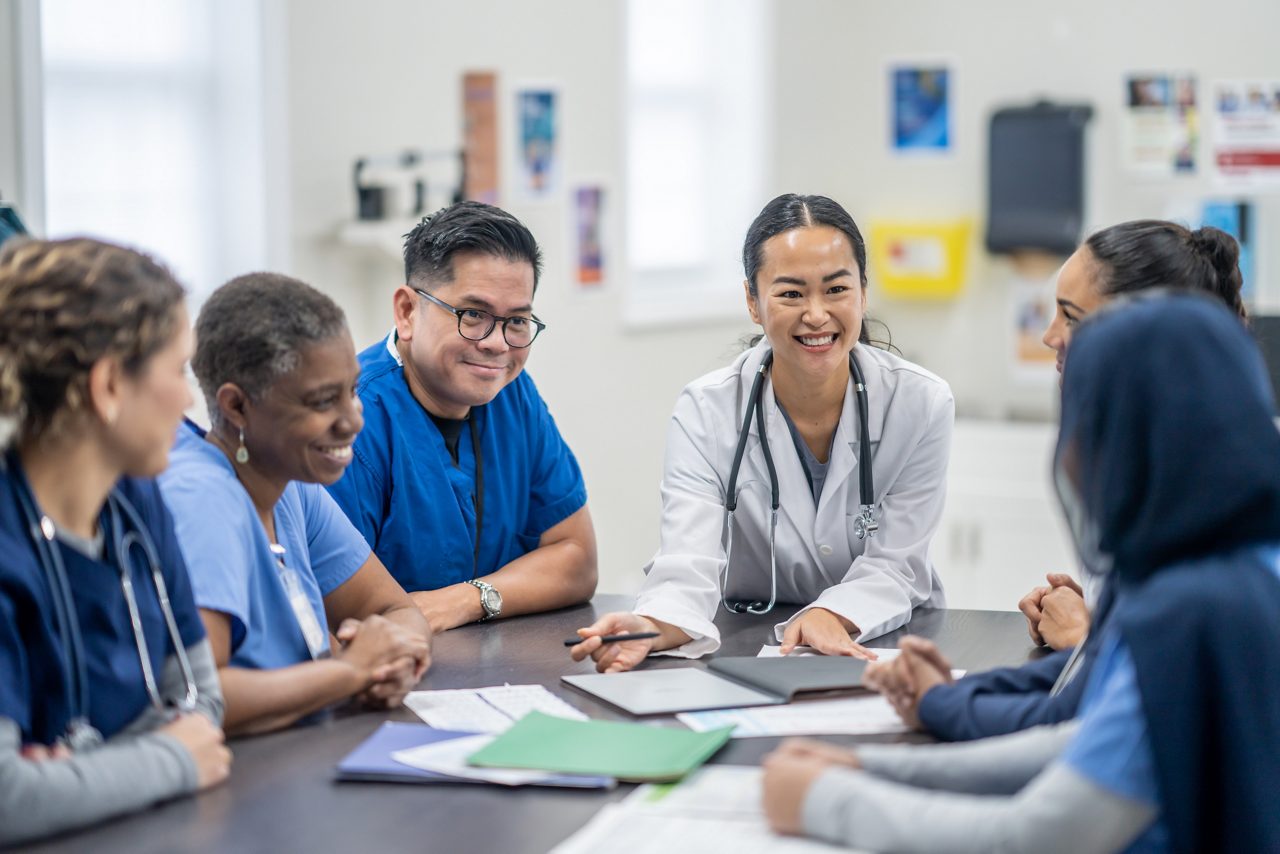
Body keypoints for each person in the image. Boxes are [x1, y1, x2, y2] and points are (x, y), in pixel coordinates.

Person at [762, 292, 1280, 853]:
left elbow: (1040, 836)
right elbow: (1085, 745)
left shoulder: (1190, 607)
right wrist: (871, 768)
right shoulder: (1245, 565)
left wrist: (825, 801)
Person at [866, 219, 1251, 744]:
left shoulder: (1215, 512)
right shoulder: (1165, 465)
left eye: (1071, 317)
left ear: (1138, 333)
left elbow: (1088, 724)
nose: (1049, 337)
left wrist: (1087, 639)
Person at [572, 194, 953, 671]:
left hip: (881, 638)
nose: (816, 314)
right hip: (747, 641)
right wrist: (650, 625)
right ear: (753, 302)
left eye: (836, 290)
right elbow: (687, 564)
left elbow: (898, 561)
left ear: (863, 292)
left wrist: (833, 613)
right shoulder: (706, 411)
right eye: (791, 293)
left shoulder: (919, 403)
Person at [0, 238, 230, 845]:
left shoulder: (136, 500)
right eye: (177, 370)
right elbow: (7, 802)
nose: (188, 399)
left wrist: (79, 778)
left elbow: (201, 703)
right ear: (107, 387)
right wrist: (167, 759)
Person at [159, 273, 431, 736]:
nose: (351, 421)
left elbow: (393, 609)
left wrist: (393, 655)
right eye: (322, 401)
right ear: (237, 407)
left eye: (351, 391)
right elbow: (199, 698)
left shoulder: (291, 482)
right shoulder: (201, 496)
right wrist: (348, 673)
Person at [325, 201, 597, 633]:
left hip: (498, 664)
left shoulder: (513, 395)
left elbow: (577, 559)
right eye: (473, 315)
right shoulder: (350, 420)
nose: (497, 344)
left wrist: (466, 600)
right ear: (407, 312)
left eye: (518, 321)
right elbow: (337, 606)